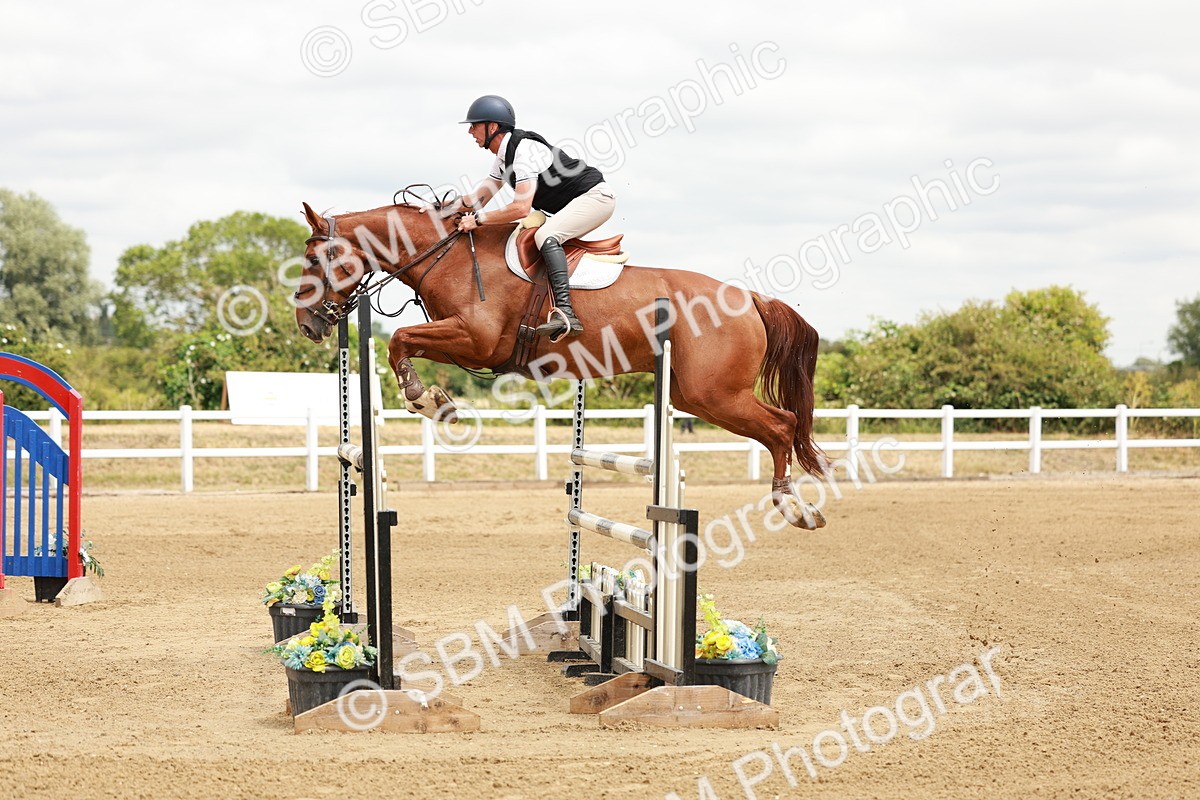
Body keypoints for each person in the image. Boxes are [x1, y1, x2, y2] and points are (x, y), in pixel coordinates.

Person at [452, 94, 615, 339]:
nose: (470, 132)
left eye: (474, 125)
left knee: (546, 236)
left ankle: (565, 312)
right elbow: (477, 199)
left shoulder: (524, 152)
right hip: (579, 201)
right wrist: (438, 208)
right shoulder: (503, 158)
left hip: (596, 198)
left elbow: (520, 209)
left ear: (493, 127)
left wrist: (477, 220)